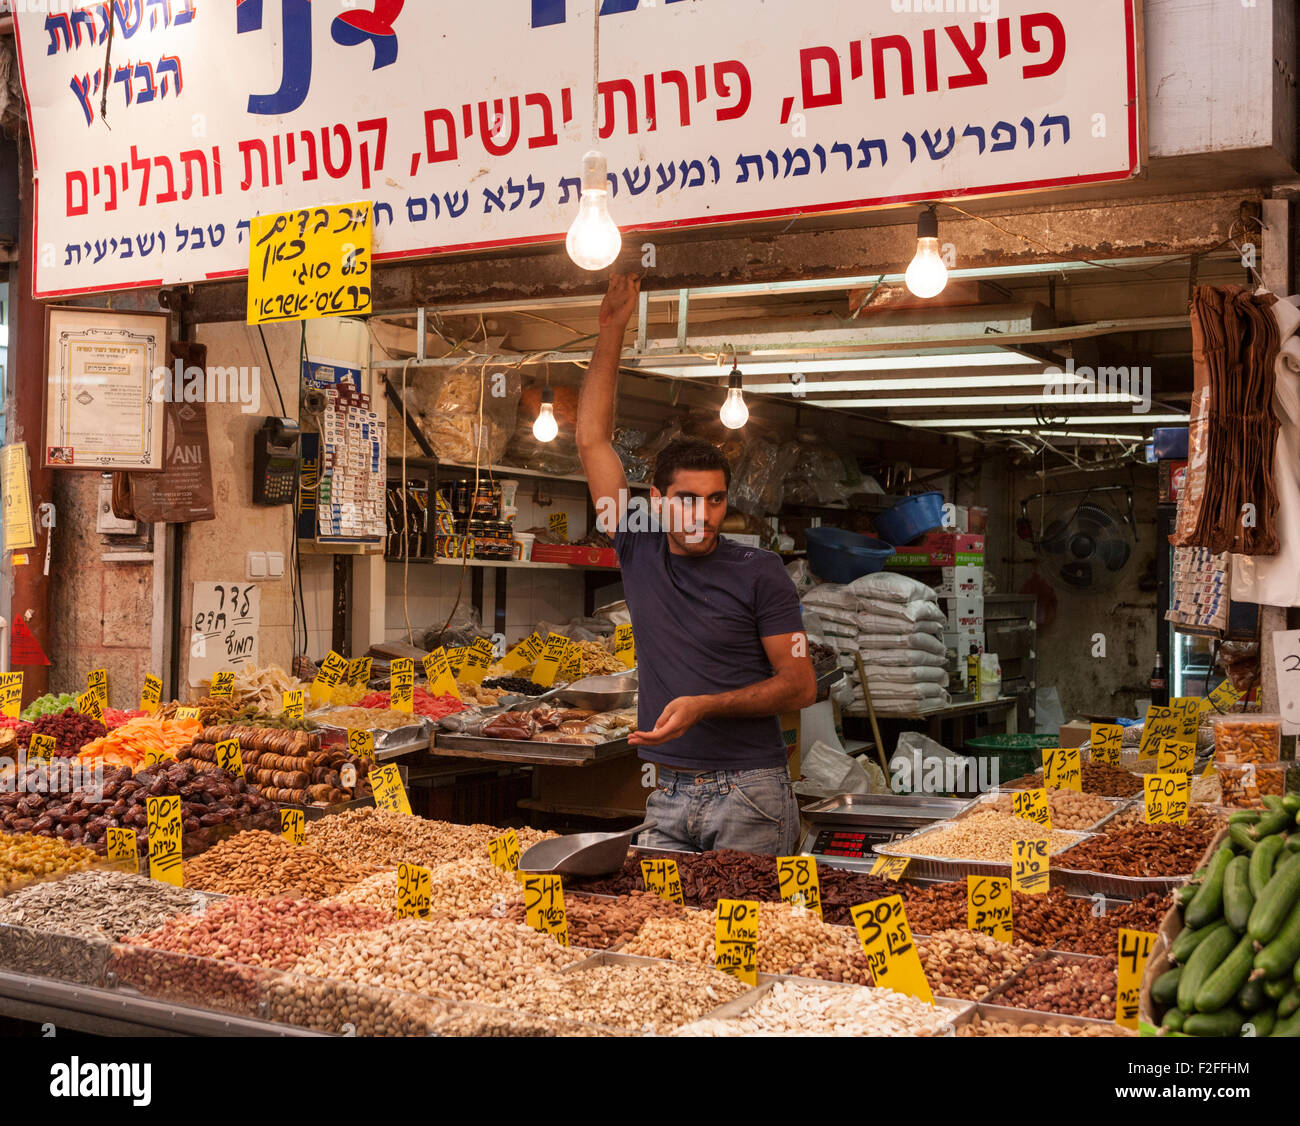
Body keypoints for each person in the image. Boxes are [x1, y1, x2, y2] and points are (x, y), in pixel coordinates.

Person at [576, 273, 816, 855]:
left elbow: (800, 684)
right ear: (656, 501)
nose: (703, 514)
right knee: (663, 936)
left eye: (715, 499)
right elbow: (591, 442)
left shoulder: (759, 571)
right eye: (687, 499)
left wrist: (707, 705)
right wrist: (612, 330)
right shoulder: (636, 543)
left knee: (748, 940)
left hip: (751, 793)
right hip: (665, 790)